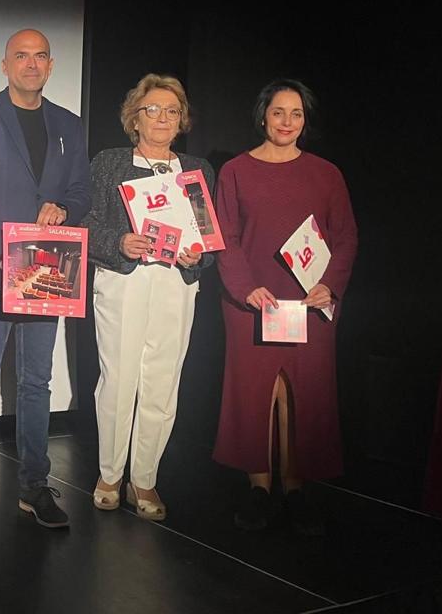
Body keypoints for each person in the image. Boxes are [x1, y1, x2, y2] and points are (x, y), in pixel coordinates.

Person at [0, 29, 91, 534]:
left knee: (36, 383)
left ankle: (34, 486)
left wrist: (66, 207)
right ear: (4, 64)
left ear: (51, 66)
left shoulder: (70, 126)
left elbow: (80, 192)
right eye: (21, 56)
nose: (31, 64)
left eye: (40, 57)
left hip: (45, 274)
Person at [214, 79, 357, 536]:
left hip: (309, 302)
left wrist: (330, 288)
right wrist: (244, 288)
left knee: (301, 392)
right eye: (279, 112)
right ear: (263, 116)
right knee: (256, 391)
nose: (287, 122)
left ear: (305, 121)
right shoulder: (235, 170)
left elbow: (346, 237)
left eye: (296, 114)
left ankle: (295, 490)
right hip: (253, 301)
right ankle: (259, 488)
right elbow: (225, 237)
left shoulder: (327, 173)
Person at [80, 74, 215, 522]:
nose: (161, 118)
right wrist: (119, 241)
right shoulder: (110, 162)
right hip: (126, 280)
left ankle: (146, 477)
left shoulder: (197, 170)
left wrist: (198, 255)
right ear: (134, 118)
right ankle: (109, 474)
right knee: (118, 378)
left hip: (177, 283)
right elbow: (87, 224)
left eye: (171, 111)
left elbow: (208, 239)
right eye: (152, 109)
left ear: (182, 122)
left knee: (163, 381)